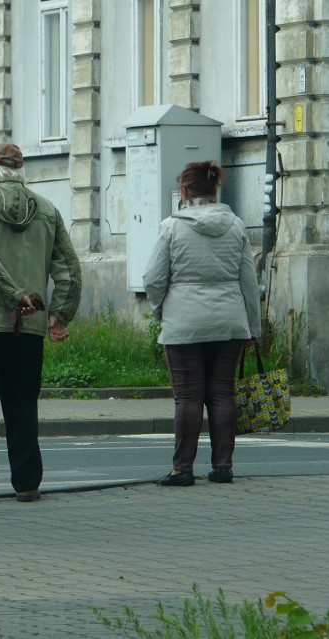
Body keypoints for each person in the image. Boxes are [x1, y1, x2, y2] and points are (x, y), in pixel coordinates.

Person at [0, 142, 82, 503]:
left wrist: (11, 296)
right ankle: (27, 483)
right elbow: (69, 267)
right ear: (21, 172)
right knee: (23, 403)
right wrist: (60, 313)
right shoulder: (47, 209)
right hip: (32, 322)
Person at [142, 160, 261, 486]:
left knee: (189, 397)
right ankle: (223, 466)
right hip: (229, 323)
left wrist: (160, 309)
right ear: (215, 190)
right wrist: (253, 327)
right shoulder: (236, 226)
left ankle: (183, 468)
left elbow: (153, 278)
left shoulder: (172, 227)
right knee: (223, 394)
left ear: (183, 191)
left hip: (184, 325)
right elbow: (249, 281)